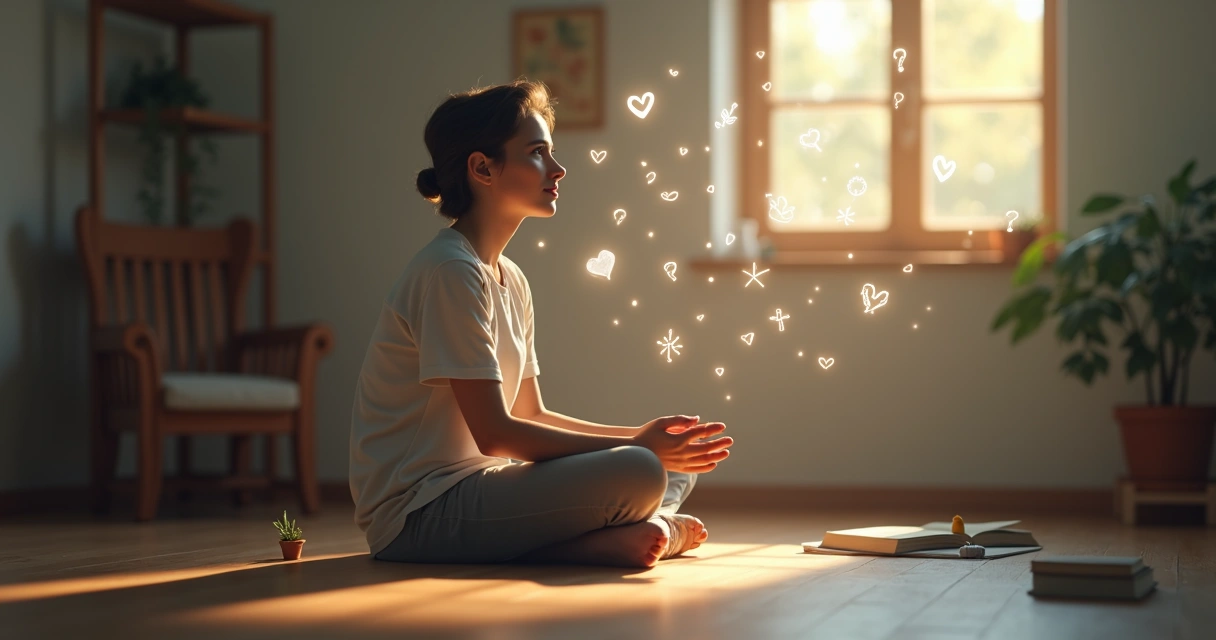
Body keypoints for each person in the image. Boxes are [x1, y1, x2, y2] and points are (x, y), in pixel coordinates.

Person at [348, 80, 734, 569]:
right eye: (536, 153)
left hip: (484, 488)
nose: (557, 168)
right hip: (419, 512)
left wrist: (643, 435)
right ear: (482, 168)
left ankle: (617, 534)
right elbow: (496, 435)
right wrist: (637, 446)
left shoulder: (510, 277)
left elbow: (530, 414)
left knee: (673, 463)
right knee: (641, 467)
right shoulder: (450, 271)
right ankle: (611, 537)